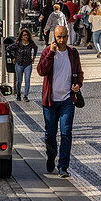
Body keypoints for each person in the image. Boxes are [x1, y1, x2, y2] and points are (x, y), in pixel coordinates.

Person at [37, 26, 83, 178]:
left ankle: (63, 166)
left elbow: (79, 73)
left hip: (67, 100)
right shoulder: (47, 52)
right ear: (54, 37)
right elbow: (41, 71)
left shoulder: (73, 53)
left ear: (68, 36)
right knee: (50, 134)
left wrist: (78, 85)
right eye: (58, 37)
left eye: (64, 36)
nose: (61, 40)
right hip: (50, 101)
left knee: (66, 133)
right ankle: (51, 156)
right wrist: (51, 52)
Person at [7, 29, 38, 102]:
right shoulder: (18, 43)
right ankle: (18, 94)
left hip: (28, 64)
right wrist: (13, 58)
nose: (26, 37)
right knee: (19, 80)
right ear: (21, 36)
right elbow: (8, 48)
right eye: (24, 35)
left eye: (27, 35)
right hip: (19, 64)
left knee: (27, 80)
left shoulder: (31, 43)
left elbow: (36, 48)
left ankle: (26, 95)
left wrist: (34, 57)